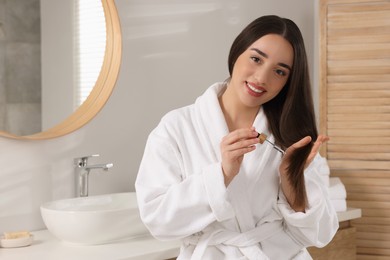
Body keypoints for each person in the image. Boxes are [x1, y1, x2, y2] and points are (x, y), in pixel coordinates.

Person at [135, 15, 338, 260]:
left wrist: (291, 179)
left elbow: (322, 233)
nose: (262, 78)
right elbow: (157, 220)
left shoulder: (291, 135)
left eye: (280, 71)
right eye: (256, 59)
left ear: (288, 81)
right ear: (237, 52)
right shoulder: (177, 127)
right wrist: (221, 174)